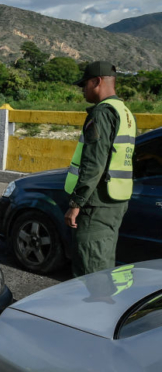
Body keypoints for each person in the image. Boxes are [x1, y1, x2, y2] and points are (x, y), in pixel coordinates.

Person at [64, 61, 136, 277]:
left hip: (96, 204)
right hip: (115, 201)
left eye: (84, 84)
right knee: (102, 263)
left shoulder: (102, 113)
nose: (83, 89)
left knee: (92, 271)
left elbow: (94, 163)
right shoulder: (125, 113)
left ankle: (94, 310)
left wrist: (76, 203)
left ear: (97, 81)